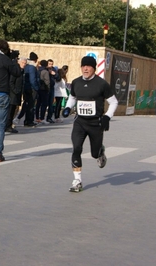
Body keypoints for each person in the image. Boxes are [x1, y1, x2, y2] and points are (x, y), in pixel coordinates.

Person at [62, 56, 118, 192]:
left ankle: (100, 152)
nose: (85, 68)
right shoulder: (76, 82)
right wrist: (68, 107)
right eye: (83, 66)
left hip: (95, 123)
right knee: (76, 149)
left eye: (88, 66)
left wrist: (107, 117)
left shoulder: (102, 84)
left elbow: (114, 102)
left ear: (94, 68)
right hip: (80, 122)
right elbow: (73, 97)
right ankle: (77, 181)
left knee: (94, 153)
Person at [6, 57, 27, 133]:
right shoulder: (16, 70)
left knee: (13, 110)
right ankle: (7, 126)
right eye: (23, 63)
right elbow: (11, 82)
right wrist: (15, 91)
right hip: (13, 94)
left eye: (25, 63)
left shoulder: (21, 71)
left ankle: (9, 125)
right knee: (10, 110)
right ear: (19, 62)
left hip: (17, 94)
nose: (24, 65)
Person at [22, 52, 39, 127]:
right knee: (31, 105)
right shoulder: (32, 67)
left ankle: (27, 120)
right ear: (35, 60)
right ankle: (29, 121)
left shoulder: (26, 66)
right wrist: (36, 88)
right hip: (31, 89)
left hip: (26, 88)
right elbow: (33, 80)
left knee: (27, 104)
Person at [35, 59, 50, 124]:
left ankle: (37, 117)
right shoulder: (45, 72)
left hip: (38, 89)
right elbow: (47, 82)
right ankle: (42, 118)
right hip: (44, 89)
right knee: (44, 104)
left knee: (38, 104)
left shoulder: (38, 70)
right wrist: (48, 89)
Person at [45, 59, 60, 123]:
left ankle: (49, 117)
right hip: (45, 88)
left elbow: (58, 78)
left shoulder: (54, 69)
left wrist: (54, 74)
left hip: (52, 88)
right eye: (49, 64)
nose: (50, 65)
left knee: (51, 103)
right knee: (44, 103)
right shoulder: (45, 69)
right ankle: (41, 117)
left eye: (51, 64)